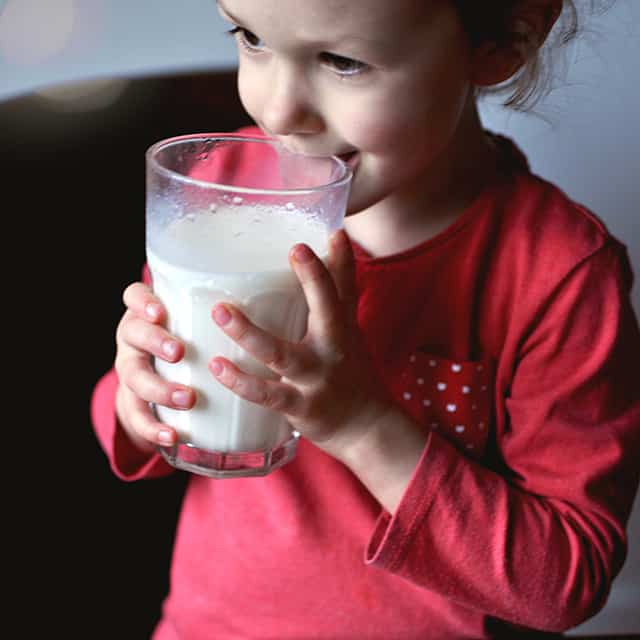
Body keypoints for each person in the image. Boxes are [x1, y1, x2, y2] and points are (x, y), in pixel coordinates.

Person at [91, 0, 640, 637]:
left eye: (343, 61)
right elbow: (135, 423)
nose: (276, 111)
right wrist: (138, 400)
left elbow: (565, 585)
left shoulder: (558, 273)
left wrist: (358, 423)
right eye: (250, 37)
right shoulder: (220, 186)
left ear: (499, 44)